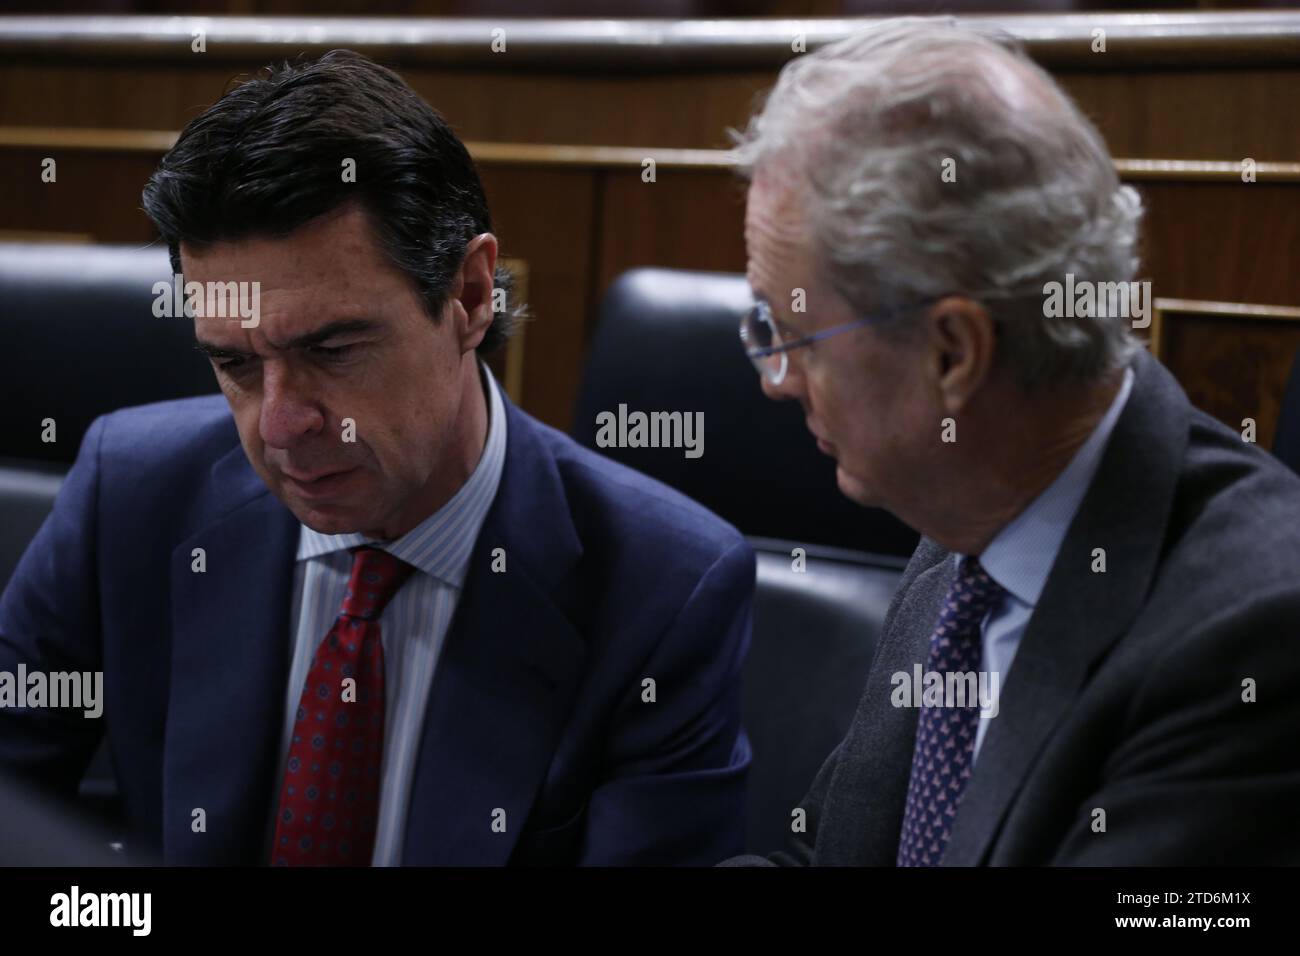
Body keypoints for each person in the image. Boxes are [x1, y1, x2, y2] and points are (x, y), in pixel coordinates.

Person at [0, 50, 753, 866]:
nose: (281, 424)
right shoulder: (131, 494)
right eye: (235, 365)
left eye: (332, 349)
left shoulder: (665, 588)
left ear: (469, 295)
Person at [722, 19, 1300, 865]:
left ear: (953, 355)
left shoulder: (1254, 632)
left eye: (791, 332)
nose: (774, 376)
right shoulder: (972, 524)